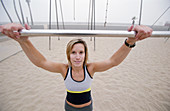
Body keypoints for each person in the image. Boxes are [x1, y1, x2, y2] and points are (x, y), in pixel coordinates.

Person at [0, 23, 152, 111]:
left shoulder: (90, 68)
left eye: (81, 52)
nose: (78, 56)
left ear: (85, 54)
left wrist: (130, 41)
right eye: (74, 52)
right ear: (68, 55)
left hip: (87, 108)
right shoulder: (64, 69)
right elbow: (41, 62)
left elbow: (113, 61)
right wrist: (24, 41)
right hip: (69, 108)